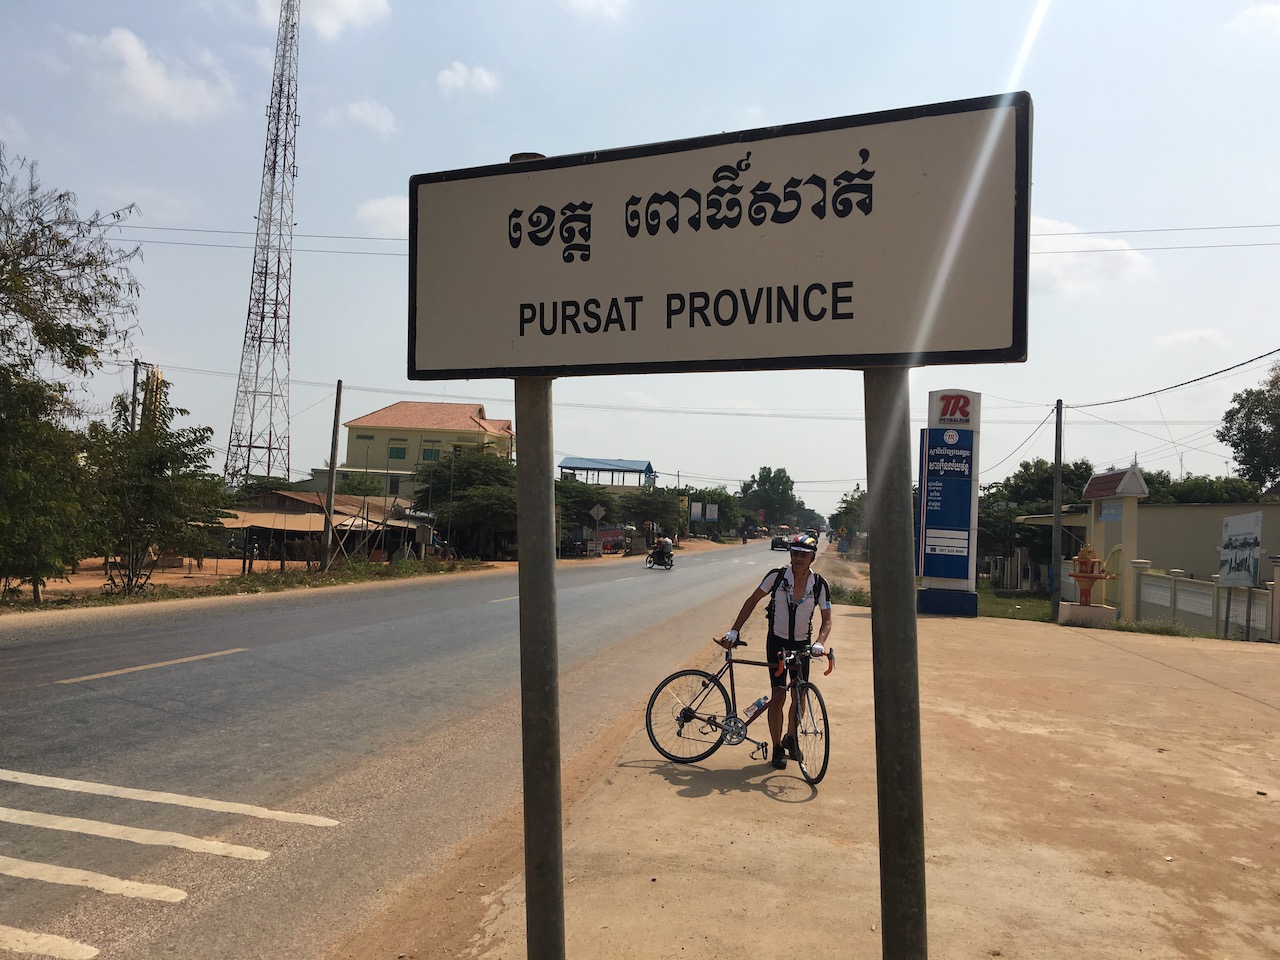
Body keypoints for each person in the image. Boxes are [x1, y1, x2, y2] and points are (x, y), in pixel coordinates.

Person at [718, 532, 831, 769]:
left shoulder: (820, 584)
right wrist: (734, 631)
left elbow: (826, 619)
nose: (798, 558)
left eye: (804, 554)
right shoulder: (777, 577)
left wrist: (820, 641)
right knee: (778, 695)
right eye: (794, 553)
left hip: (802, 646)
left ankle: (791, 737)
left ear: (812, 557)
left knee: (799, 696)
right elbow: (752, 601)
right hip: (777, 643)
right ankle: (777, 746)